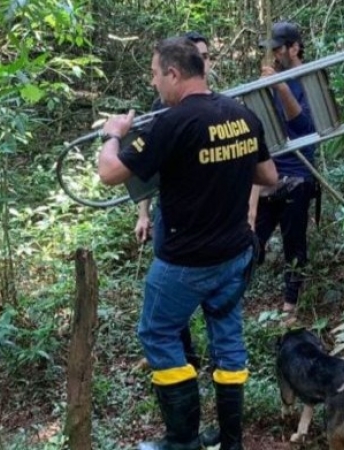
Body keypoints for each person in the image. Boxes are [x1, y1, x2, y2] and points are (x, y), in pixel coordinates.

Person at [98, 36, 277, 450]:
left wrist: (113, 133)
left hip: (184, 263)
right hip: (234, 256)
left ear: (174, 73)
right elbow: (268, 177)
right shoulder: (241, 113)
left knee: (158, 333)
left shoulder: (172, 122)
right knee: (228, 342)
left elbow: (109, 173)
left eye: (157, 75)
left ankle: (183, 440)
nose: (155, 84)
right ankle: (231, 442)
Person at [135, 31, 212, 371]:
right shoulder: (160, 111)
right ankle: (184, 357)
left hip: (214, 217)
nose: (204, 63)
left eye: (207, 57)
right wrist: (143, 213)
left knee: (216, 299)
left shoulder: (221, 105)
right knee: (170, 301)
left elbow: (252, 164)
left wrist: (249, 210)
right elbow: (145, 173)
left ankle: (217, 361)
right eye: (198, 56)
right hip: (173, 216)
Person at [255, 22, 318, 315]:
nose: (275, 54)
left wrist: (281, 87)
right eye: (273, 50)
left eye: (279, 48)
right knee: (252, 240)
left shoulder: (310, 79)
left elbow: (304, 127)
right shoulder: (275, 80)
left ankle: (289, 309)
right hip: (270, 173)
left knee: (295, 245)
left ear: (295, 47)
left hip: (299, 173)